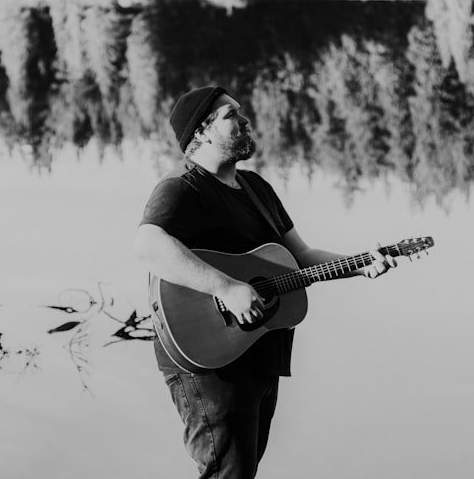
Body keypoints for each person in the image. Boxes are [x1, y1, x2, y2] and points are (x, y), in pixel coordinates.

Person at [132, 85, 397, 479]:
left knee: (243, 472)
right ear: (201, 132)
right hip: (206, 360)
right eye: (231, 115)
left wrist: (359, 264)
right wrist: (226, 287)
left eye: (240, 112)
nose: (244, 119)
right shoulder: (183, 188)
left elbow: (301, 258)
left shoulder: (256, 189)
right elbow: (148, 244)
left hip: (257, 348)